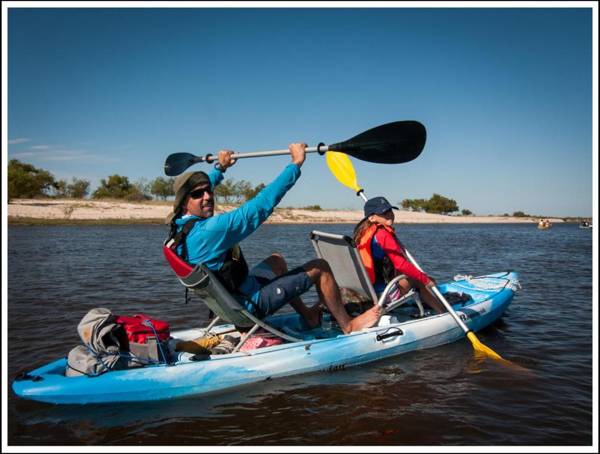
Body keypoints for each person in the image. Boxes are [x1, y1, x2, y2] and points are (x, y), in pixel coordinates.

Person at [166, 143, 381, 334]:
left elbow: (200, 189)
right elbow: (260, 205)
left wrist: (220, 168)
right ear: (186, 202)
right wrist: (295, 164)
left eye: (208, 191)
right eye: (198, 195)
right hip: (246, 306)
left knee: (276, 260)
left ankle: (308, 315)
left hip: (231, 299)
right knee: (321, 267)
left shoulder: (179, 224)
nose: (207, 197)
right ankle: (349, 326)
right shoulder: (210, 230)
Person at [353, 196, 445, 315]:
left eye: (390, 211)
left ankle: (427, 302)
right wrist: (426, 280)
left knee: (409, 275)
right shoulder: (382, 234)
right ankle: (442, 312)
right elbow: (401, 264)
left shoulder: (362, 232)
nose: (389, 214)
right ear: (371, 217)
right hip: (382, 295)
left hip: (365, 291)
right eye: (383, 212)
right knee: (420, 280)